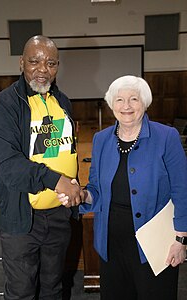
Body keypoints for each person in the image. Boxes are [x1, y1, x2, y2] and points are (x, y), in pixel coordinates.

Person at [58, 75, 187, 300]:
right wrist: (80, 195)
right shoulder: (101, 139)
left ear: (145, 103)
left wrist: (181, 240)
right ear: (111, 104)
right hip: (111, 244)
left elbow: (182, 190)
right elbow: (96, 190)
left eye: (134, 99)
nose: (126, 106)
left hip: (155, 245)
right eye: (119, 100)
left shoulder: (166, 137)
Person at [0, 35, 83, 299]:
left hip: (58, 216)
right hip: (21, 217)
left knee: (53, 287)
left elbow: (64, 150)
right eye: (35, 61)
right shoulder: (5, 105)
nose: (43, 69)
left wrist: (72, 184)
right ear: (21, 63)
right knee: (22, 291)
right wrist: (56, 180)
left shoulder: (63, 101)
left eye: (51, 63)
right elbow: (7, 165)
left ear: (57, 66)